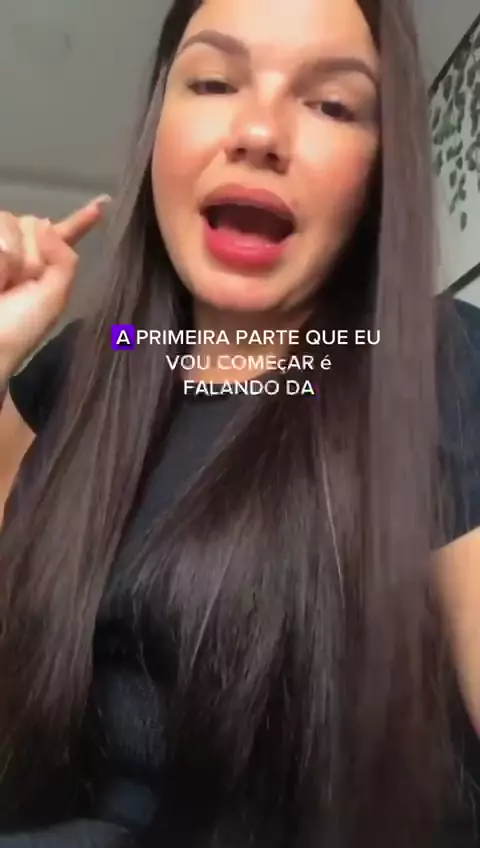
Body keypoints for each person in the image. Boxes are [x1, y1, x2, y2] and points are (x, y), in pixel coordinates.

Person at [1, 0, 480, 845]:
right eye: (215, 83)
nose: (259, 132)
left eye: (331, 104)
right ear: (159, 125)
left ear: (379, 170)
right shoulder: (87, 361)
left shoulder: (437, 362)